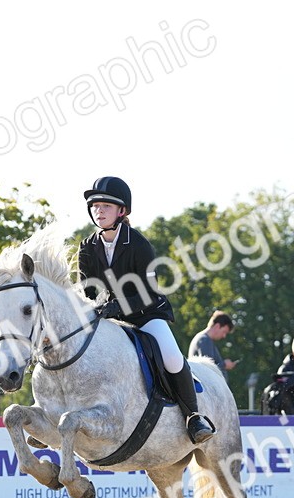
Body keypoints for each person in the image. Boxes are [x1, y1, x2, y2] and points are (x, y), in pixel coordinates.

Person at [76, 176, 213, 443]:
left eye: (106, 206)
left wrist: (118, 306)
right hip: (109, 317)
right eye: (95, 206)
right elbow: (87, 290)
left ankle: (193, 417)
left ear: (122, 211)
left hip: (145, 313)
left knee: (172, 357)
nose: (99, 211)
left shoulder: (138, 244)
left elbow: (148, 292)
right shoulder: (87, 247)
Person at [187, 311, 237, 380]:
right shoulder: (204, 340)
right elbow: (208, 369)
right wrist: (224, 364)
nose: (224, 336)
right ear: (217, 326)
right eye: (224, 332)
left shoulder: (203, 339)